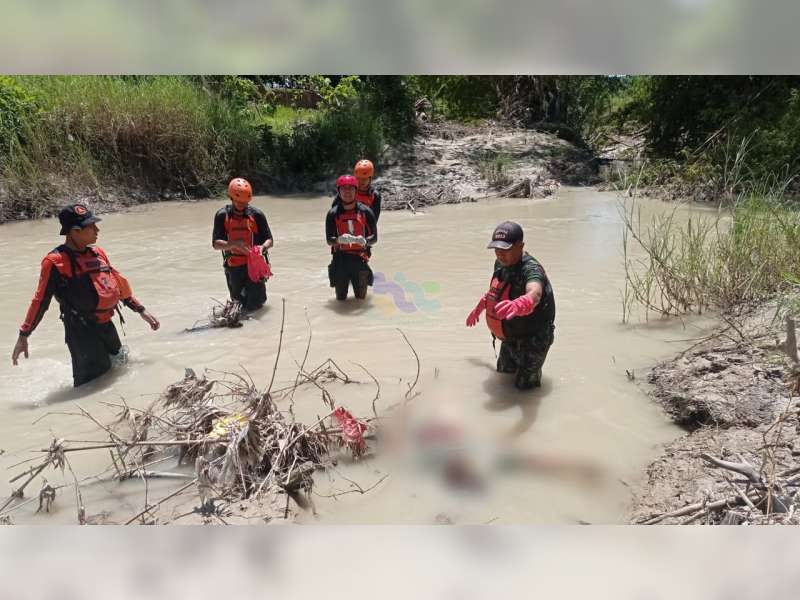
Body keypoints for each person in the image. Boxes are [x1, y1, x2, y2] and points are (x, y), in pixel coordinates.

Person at [11, 204, 160, 387]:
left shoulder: (98, 253)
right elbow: (40, 301)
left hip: (107, 325)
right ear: (75, 231)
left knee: (121, 369)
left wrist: (141, 310)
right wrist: (24, 335)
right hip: (81, 331)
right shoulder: (54, 262)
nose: (97, 230)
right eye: (91, 226)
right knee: (92, 386)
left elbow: (116, 284)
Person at [465, 221, 556, 390]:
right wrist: (479, 308)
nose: (500, 254)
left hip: (533, 339)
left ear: (520, 246)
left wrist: (524, 302)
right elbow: (496, 291)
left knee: (524, 390)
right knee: (503, 376)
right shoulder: (501, 264)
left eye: (505, 249)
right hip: (511, 337)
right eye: (496, 249)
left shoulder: (531, 268)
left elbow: (534, 292)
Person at [212, 177, 273, 311]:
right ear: (231, 198)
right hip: (233, 265)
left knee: (257, 304)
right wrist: (233, 244)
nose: (242, 205)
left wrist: (263, 247)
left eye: (245, 202)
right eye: (239, 202)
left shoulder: (257, 215)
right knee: (238, 304)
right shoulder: (222, 215)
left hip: (254, 264)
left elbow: (269, 239)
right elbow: (216, 244)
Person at [326, 174, 378, 301]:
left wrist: (365, 241)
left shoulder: (366, 212)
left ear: (356, 190)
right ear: (338, 191)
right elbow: (329, 240)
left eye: (351, 188)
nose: (347, 192)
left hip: (360, 259)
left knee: (361, 300)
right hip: (340, 261)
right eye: (344, 189)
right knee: (341, 300)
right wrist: (338, 240)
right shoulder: (332, 214)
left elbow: (375, 238)